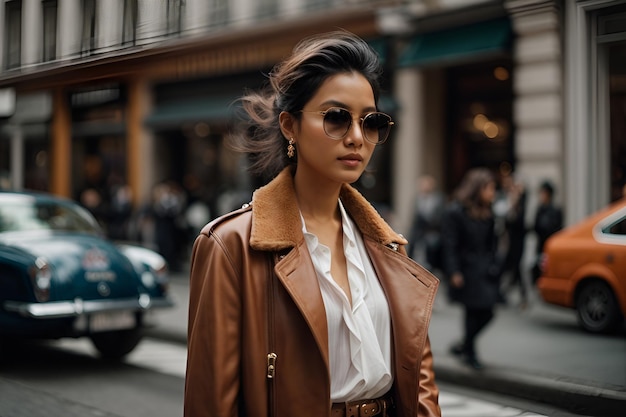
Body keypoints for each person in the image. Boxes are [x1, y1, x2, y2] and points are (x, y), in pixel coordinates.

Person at [185, 31, 441, 417]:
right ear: (290, 126)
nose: (357, 137)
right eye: (337, 118)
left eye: (370, 122)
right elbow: (211, 404)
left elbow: (419, 382)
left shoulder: (388, 246)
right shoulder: (230, 246)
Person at [441, 168, 501, 370]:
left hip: (484, 270)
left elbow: (492, 244)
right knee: (472, 311)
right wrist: (454, 272)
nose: (493, 192)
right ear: (477, 189)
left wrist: (494, 264)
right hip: (465, 269)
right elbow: (449, 244)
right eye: (489, 188)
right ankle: (470, 352)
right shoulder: (456, 212)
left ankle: (464, 345)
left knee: (488, 312)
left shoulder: (489, 213)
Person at [407, 175, 445, 272]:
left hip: (432, 231)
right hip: (419, 232)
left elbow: (440, 217)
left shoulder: (438, 199)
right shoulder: (417, 199)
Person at [531, 181, 563, 283]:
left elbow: (557, 229)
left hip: (550, 245)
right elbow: (536, 226)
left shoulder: (555, 210)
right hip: (541, 245)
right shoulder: (540, 209)